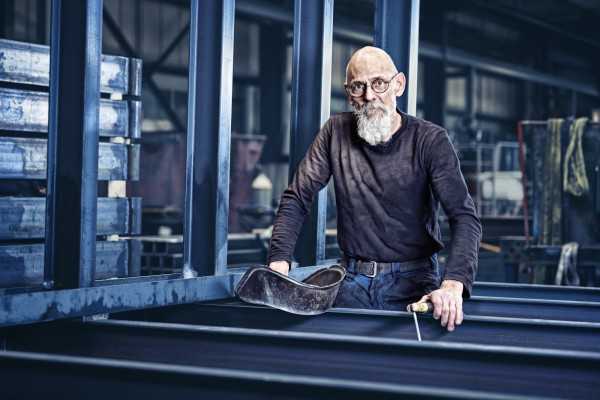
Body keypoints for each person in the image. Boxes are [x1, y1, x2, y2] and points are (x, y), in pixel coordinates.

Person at [267, 46, 481, 332]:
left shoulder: (431, 140)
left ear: (399, 85)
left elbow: (464, 218)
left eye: (379, 83)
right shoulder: (335, 132)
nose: (369, 96)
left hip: (414, 281)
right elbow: (297, 198)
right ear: (348, 93)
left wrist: (453, 285)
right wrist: (279, 262)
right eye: (359, 86)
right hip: (351, 281)